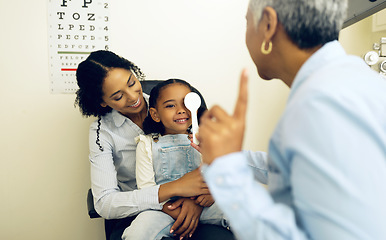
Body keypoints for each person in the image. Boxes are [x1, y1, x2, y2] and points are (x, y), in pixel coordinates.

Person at [196, 0, 386, 240]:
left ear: (268, 24)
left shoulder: (320, 104)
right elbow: (305, 172)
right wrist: (229, 156)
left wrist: (228, 173)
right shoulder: (353, 79)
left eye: (247, 23)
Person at [75, 50, 230, 240]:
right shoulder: (102, 133)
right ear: (102, 102)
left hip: (199, 200)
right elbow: (105, 203)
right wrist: (174, 192)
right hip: (143, 211)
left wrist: (198, 198)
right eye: (117, 96)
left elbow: (215, 159)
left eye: (132, 83)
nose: (133, 97)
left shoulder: (171, 102)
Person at [121, 79, 229, 240]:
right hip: (164, 210)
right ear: (155, 114)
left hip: (204, 204)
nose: (181, 110)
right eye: (171, 105)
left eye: (186, 103)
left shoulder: (206, 139)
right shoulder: (146, 144)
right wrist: (172, 209)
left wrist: (211, 193)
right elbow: (147, 190)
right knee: (136, 234)